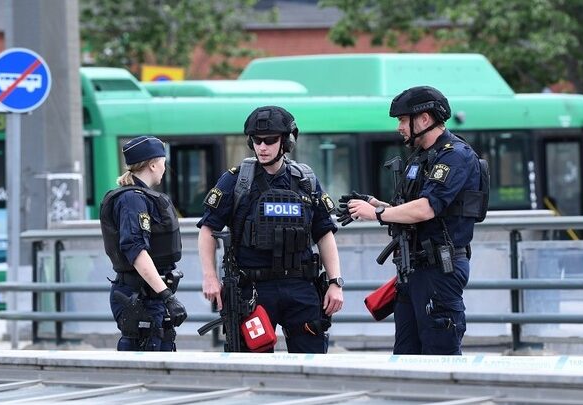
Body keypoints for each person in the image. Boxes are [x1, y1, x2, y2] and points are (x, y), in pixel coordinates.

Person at [343, 86, 486, 355]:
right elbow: (410, 211)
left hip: (439, 270)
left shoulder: (454, 155)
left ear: (424, 118)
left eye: (402, 119)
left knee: (439, 355)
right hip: (413, 270)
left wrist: (377, 214)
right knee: (405, 355)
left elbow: (426, 209)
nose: (399, 127)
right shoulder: (421, 157)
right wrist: (376, 205)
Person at [197, 106, 344, 353]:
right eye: (257, 141)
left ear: (286, 142)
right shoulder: (236, 181)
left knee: (313, 360)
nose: (262, 147)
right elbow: (207, 229)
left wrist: (335, 282)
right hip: (253, 290)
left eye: (270, 140)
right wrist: (209, 277)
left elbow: (324, 233)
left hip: (300, 286)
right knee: (253, 364)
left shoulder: (305, 181)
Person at [100, 136, 188, 351]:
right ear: (153, 165)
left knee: (161, 346)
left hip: (149, 294)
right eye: (163, 163)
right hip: (140, 296)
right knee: (145, 351)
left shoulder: (141, 197)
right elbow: (136, 251)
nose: (165, 168)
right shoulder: (132, 199)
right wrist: (167, 296)